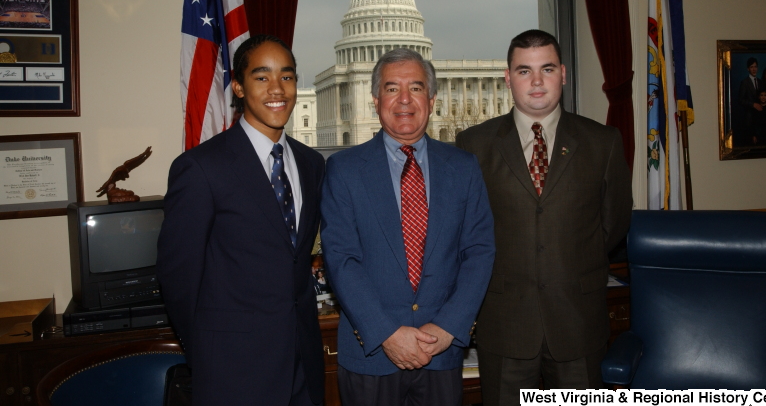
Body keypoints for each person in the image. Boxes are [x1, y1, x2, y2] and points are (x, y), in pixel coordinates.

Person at [455, 29, 632, 400]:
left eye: (547, 69)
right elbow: (465, 232)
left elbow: (613, 224)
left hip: (578, 323)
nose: (536, 82)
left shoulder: (604, 142)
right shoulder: (473, 145)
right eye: (524, 71)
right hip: (504, 325)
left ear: (563, 74)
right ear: (508, 78)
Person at [157, 35, 325, 406]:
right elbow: (179, 278)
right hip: (232, 370)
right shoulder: (201, 168)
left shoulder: (313, 165)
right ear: (238, 86)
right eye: (261, 77)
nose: (277, 89)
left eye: (287, 76)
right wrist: (207, 350)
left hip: (303, 366)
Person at [321, 48, 495, 406]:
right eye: (391, 88)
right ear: (375, 100)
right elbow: (341, 259)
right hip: (370, 355)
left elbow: (478, 252)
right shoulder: (344, 169)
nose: (404, 100)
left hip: (440, 353)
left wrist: (448, 327)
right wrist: (386, 333)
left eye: (415, 88)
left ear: (431, 99)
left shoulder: (463, 167)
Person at [737, 57, 766, 145]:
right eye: (752, 67)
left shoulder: (760, 82)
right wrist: (753, 104)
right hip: (749, 118)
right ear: (748, 69)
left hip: (760, 118)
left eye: (755, 67)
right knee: (750, 143)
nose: (754, 69)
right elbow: (740, 100)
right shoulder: (744, 82)